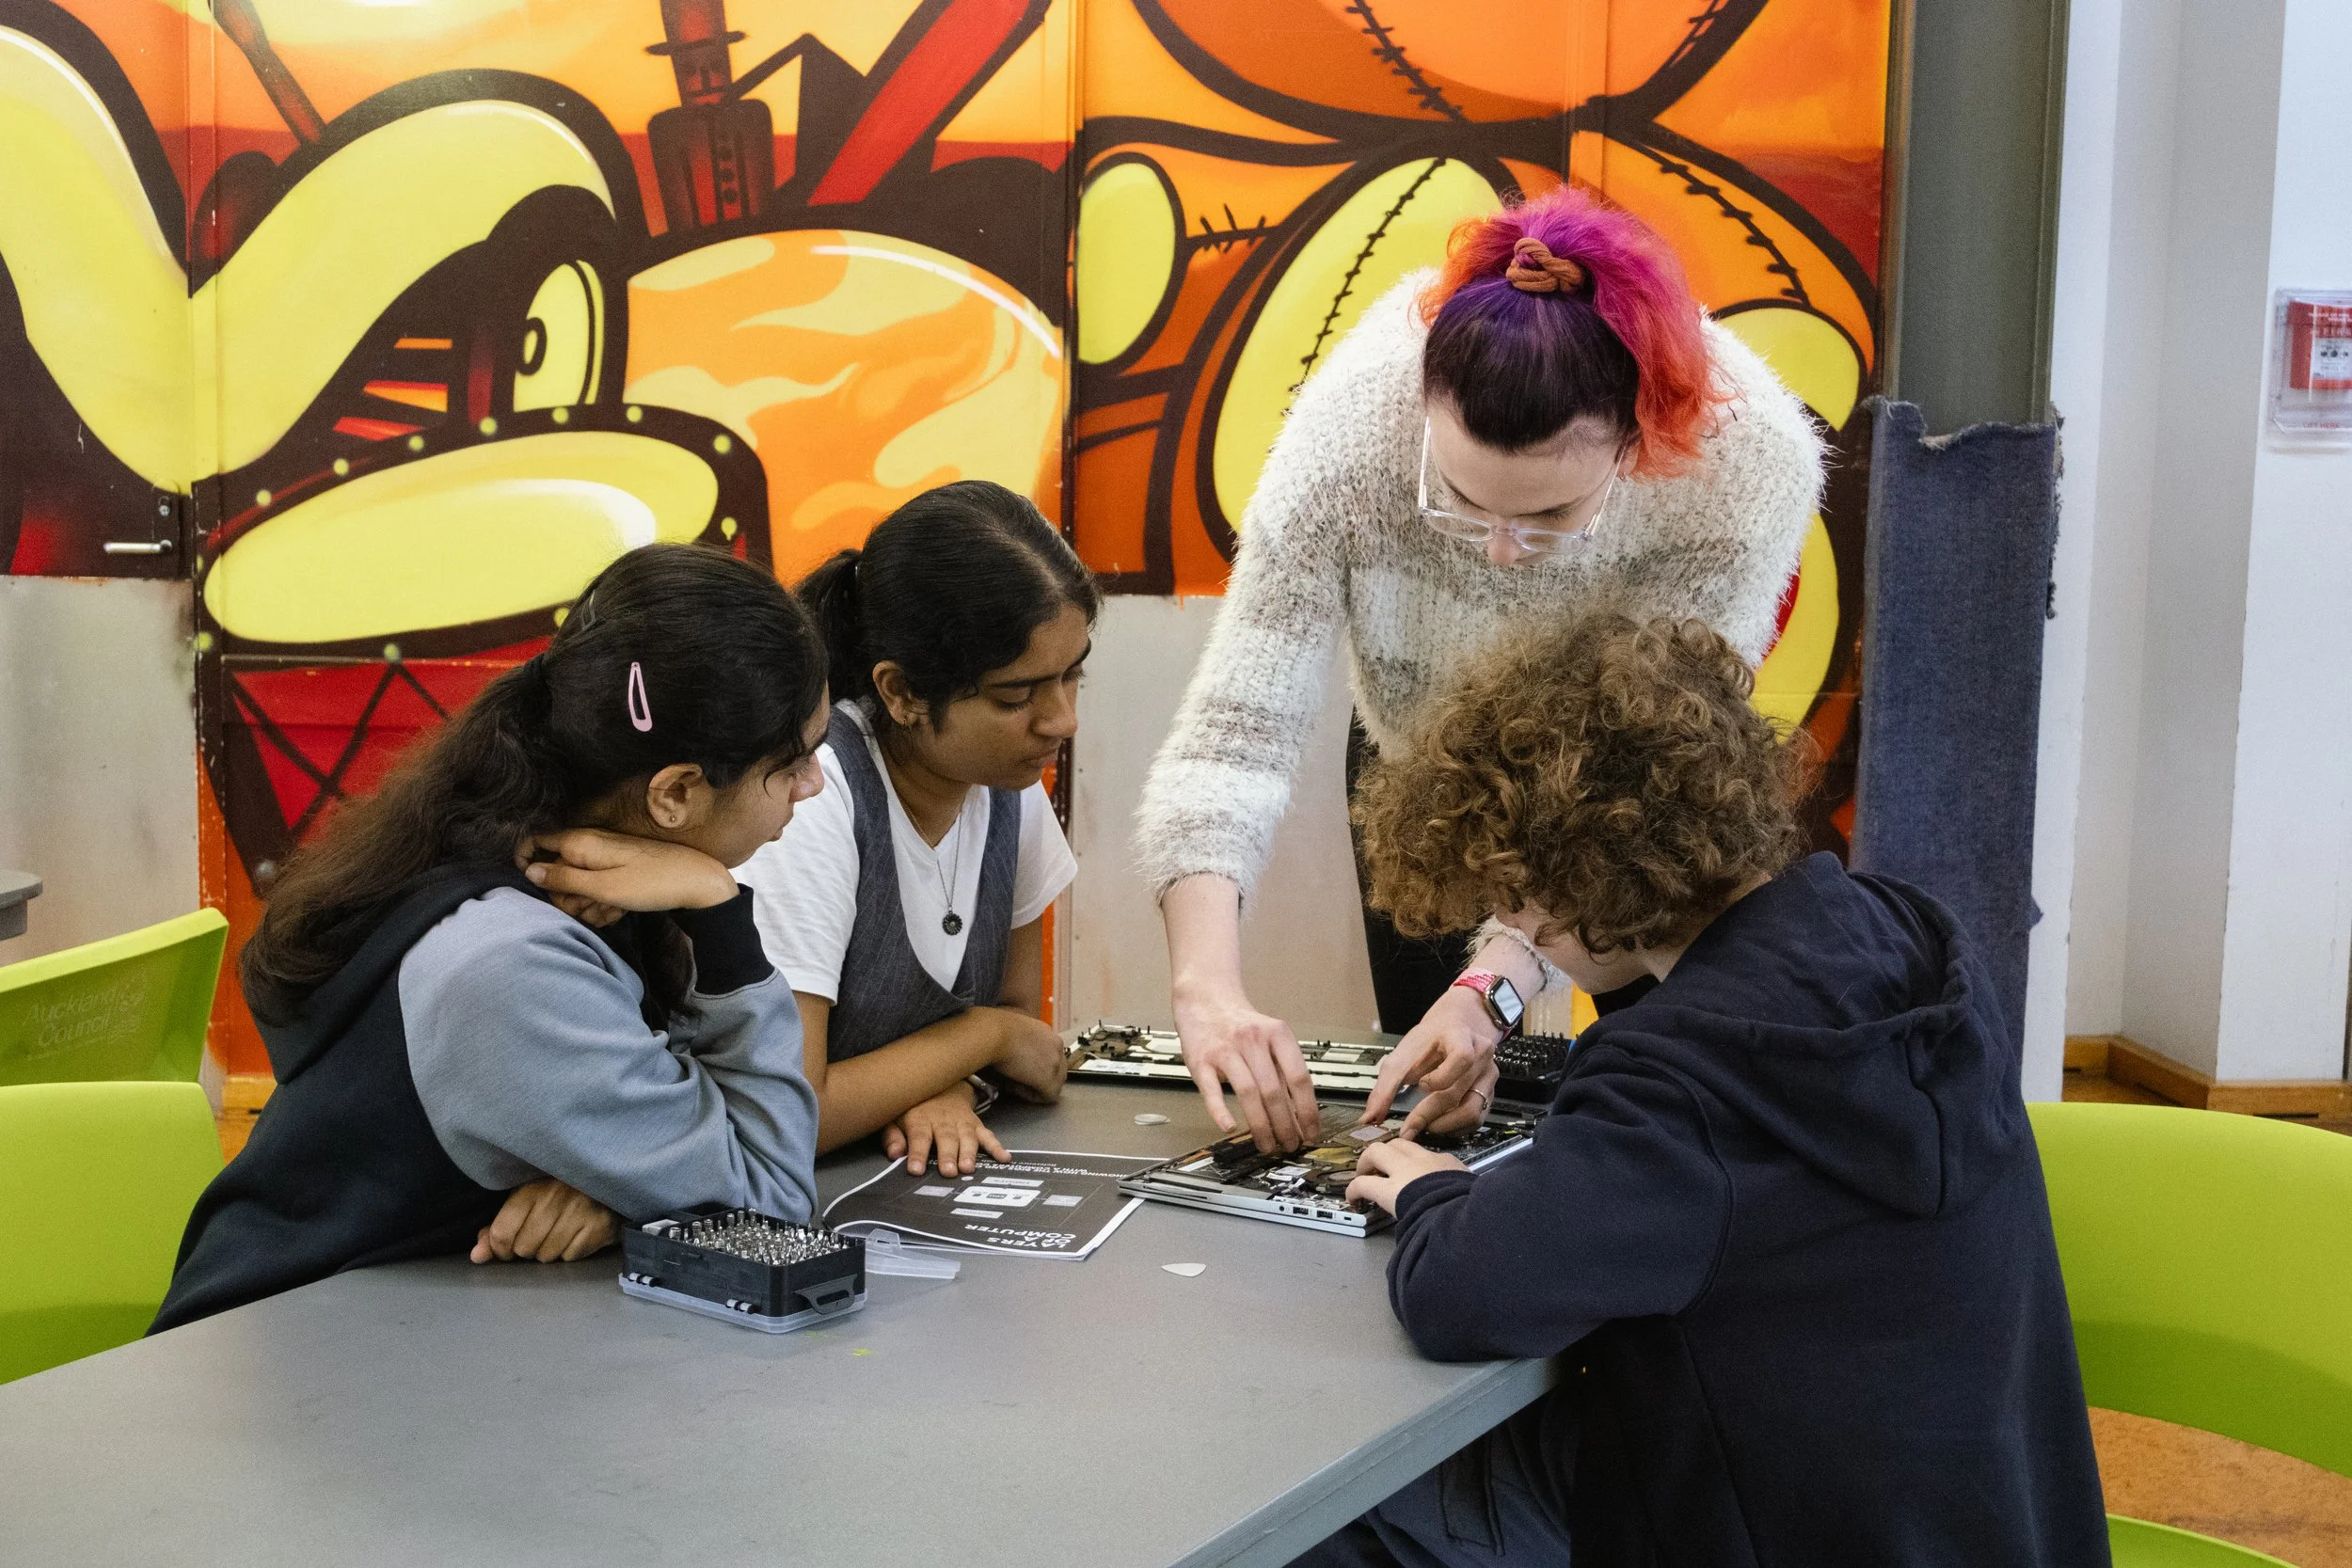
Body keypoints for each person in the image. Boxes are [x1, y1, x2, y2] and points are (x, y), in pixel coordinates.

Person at [1297, 612, 2109, 1566]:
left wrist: (1435, 1191)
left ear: (1575, 884)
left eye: (1513, 898)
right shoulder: (1906, 937)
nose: (1511, 924)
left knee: (1329, 1520)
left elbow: (1465, 1295)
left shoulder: (1676, 1087)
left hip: (1772, 1531)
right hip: (1975, 1524)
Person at [1135, 184, 1825, 1152]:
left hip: (1622, 787)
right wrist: (1205, 988)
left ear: (1636, 441)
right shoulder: (1350, 428)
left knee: (1661, 1081)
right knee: (1431, 1090)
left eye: (1547, 517)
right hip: (1419, 754)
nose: (1499, 552)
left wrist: (1487, 990)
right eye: (1458, 500)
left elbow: (1630, 780)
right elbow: (1233, 736)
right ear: (1423, 412)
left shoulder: (1747, 465)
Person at [151, 544, 831, 1332]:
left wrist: (621, 1193)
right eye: (793, 762)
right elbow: (772, 1200)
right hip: (285, 1349)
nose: (814, 784)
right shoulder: (514, 964)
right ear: (674, 792)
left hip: (414, 1336)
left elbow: (700, 1146)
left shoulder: (560, 861)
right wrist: (718, 913)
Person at [738, 481, 1090, 1179]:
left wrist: (954, 1084)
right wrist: (985, 1035)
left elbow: (1028, 1049)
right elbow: (790, 1114)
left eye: (1073, 676)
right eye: (1015, 695)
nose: (1061, 719)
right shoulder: (813, 799)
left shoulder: (1011, 786)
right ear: (900, 692)